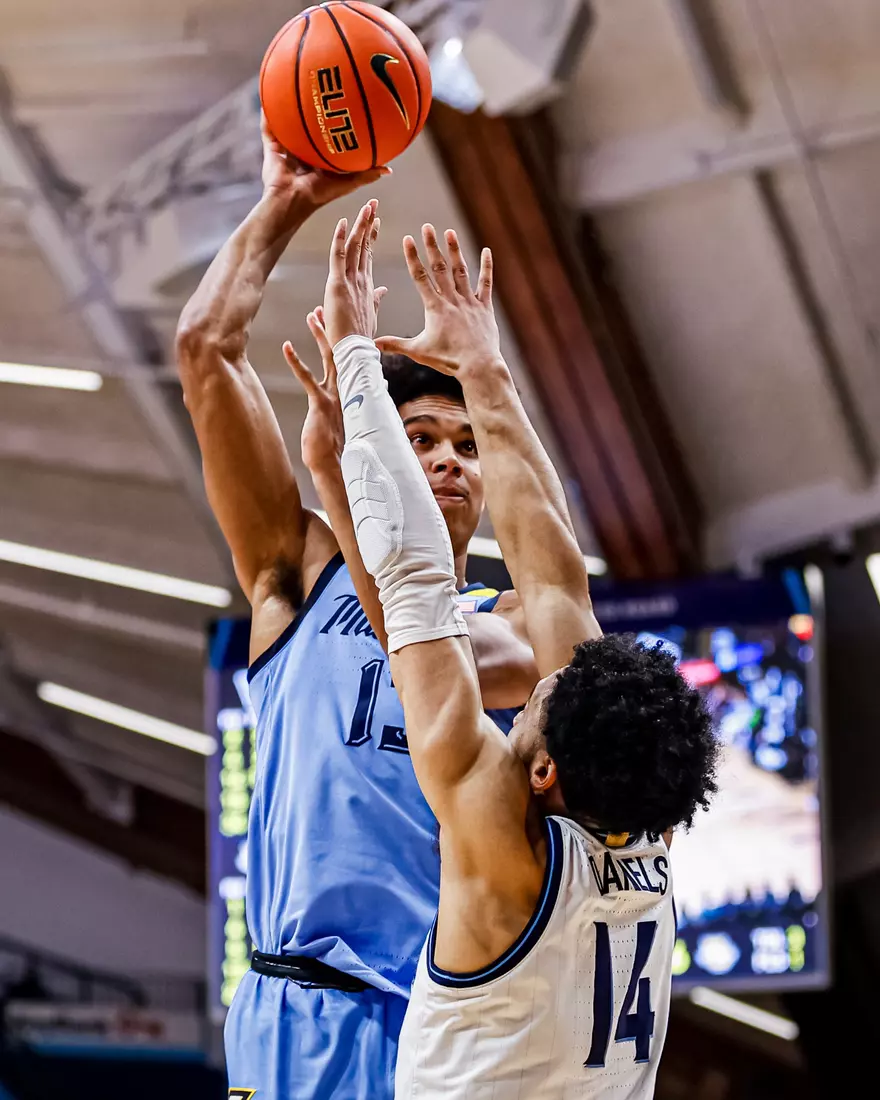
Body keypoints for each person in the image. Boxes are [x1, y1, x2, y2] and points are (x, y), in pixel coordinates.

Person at [174, 121, 537, 1100]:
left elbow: (437, 635)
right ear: (381, 450)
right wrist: (282, 204)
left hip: (447, 1027)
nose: (449, 460)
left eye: (467, 444)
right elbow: (205, 350)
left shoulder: (514, 623)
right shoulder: (301, 572)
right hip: (301, 1010)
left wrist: (353, 467)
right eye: (421, 438)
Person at [324, 203, 719, 1098]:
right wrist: (483, 371)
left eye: (541, 698)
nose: (546, 675)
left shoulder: (504, 850)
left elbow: (415, 580)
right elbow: (555, 585)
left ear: (542, 772)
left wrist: (356, 363)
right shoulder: (646, 826)